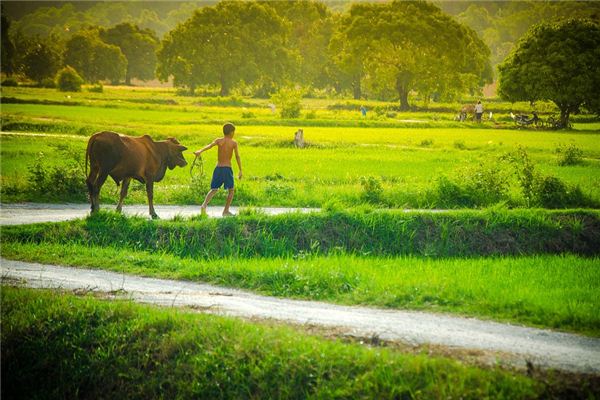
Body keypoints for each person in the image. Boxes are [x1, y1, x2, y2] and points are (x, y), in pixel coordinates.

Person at [194, 123, 242, 216]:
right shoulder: (233, 143)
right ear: (231, 132)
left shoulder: (219, 140)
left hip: (218, 168)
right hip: (227, 169)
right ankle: (226, 211)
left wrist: (200, 151)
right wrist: (240, 170)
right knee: (231, 190)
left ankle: (204, 205)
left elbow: (209, 146)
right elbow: (237, 156)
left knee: (214, 189)